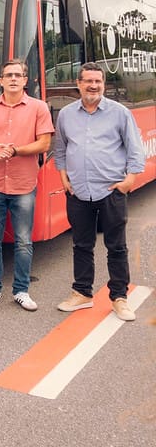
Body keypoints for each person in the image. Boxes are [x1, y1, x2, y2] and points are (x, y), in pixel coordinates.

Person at [54, 62, 145, 322]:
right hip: (78, 191)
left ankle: (119, 298)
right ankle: (82, 293)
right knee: (81, 245)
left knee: (116, 247)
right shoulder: (67, 114)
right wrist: (63, 177)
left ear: (103, 84)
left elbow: (135, 149)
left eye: (98, 81)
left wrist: (129, 181)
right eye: (88, 81)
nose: (93, 85)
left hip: (110, 191)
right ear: (79, 84)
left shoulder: (119, 113)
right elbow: (60, 148)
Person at [0, 59, 54, 311]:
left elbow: (44, 144)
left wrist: (17, 151)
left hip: (24, 184)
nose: (13, 79)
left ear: (25, 80)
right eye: (8, 75)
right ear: (1, 81)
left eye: (18, 75)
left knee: (23, 241)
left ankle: (21, 290)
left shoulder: (38, 107)